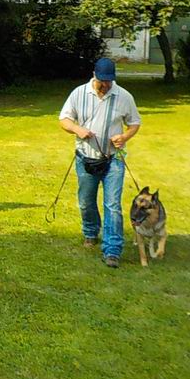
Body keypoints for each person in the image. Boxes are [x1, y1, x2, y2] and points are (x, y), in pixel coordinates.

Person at [59, 57, 141, 268]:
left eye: (109, 81)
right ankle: (90, 232)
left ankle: (112, 250)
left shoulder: (124, 96)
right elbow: (64, 119)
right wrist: (78, 130)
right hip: (85, 157)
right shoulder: (79, 93)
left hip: (113, 160)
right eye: (102, 80)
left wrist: (124, 137)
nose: (105, 85)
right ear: (94, 75)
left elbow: (134, 123)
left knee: (112, 205)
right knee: (86, 201)